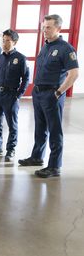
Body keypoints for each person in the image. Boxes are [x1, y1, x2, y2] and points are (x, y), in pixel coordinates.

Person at [18, 14, 79, 178]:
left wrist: (59, 92)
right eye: (44, 27)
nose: (45, 30)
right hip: (38, 93)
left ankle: (54, 166)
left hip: (52, 94)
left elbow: (74, 74)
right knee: (40, 128)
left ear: (58, 28)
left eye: (49, 27)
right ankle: (37, 157)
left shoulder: (66, 49)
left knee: (54, 130)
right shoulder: (45, 47)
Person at [0, 29, 29, 160]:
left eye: (8, 41)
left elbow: (26, 79)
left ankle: (11, 150)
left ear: (14, 42)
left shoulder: (20, 58)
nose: (4, 43)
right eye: (3, 40)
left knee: (12, 125)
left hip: (10, 96)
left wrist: (18, 95)